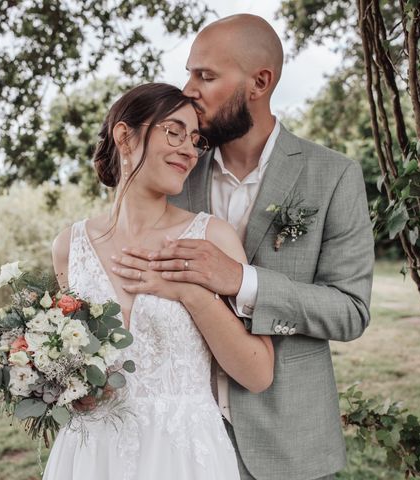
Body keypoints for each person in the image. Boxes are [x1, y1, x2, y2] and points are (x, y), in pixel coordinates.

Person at [116, 14, 375, 480]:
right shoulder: (173, 171)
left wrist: (243, 281)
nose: (188, 88)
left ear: (259, 82)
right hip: (175, 443)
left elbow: (351, 310)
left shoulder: (333, 175)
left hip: (288, 444)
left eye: (206, 76)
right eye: (190, 72)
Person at [44, 82, 275, 480]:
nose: (189, 149)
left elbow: (258, 373)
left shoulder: (211, 237)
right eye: (174, 131)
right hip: (91, 456)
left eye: (195, 139)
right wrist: (65, 388)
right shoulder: (70, 246)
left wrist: (188, 292)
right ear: (125, 136)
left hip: (184, 457)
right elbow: (70, 367)